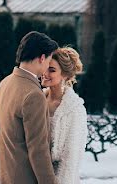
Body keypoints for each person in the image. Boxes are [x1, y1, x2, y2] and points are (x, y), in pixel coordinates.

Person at [0, 31, 59, 184]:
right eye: (49, 60)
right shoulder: (33, 95)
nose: (48, 65)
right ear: (42, 58)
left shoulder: (4, 83)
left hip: (5, 177)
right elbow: (38, 150)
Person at [41, 47, 87, 184]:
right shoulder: (37, 100)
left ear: (65, 75)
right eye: (45, 67)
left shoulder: (74, 109)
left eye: (52, 70)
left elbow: (70, 159)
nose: (45, 73)